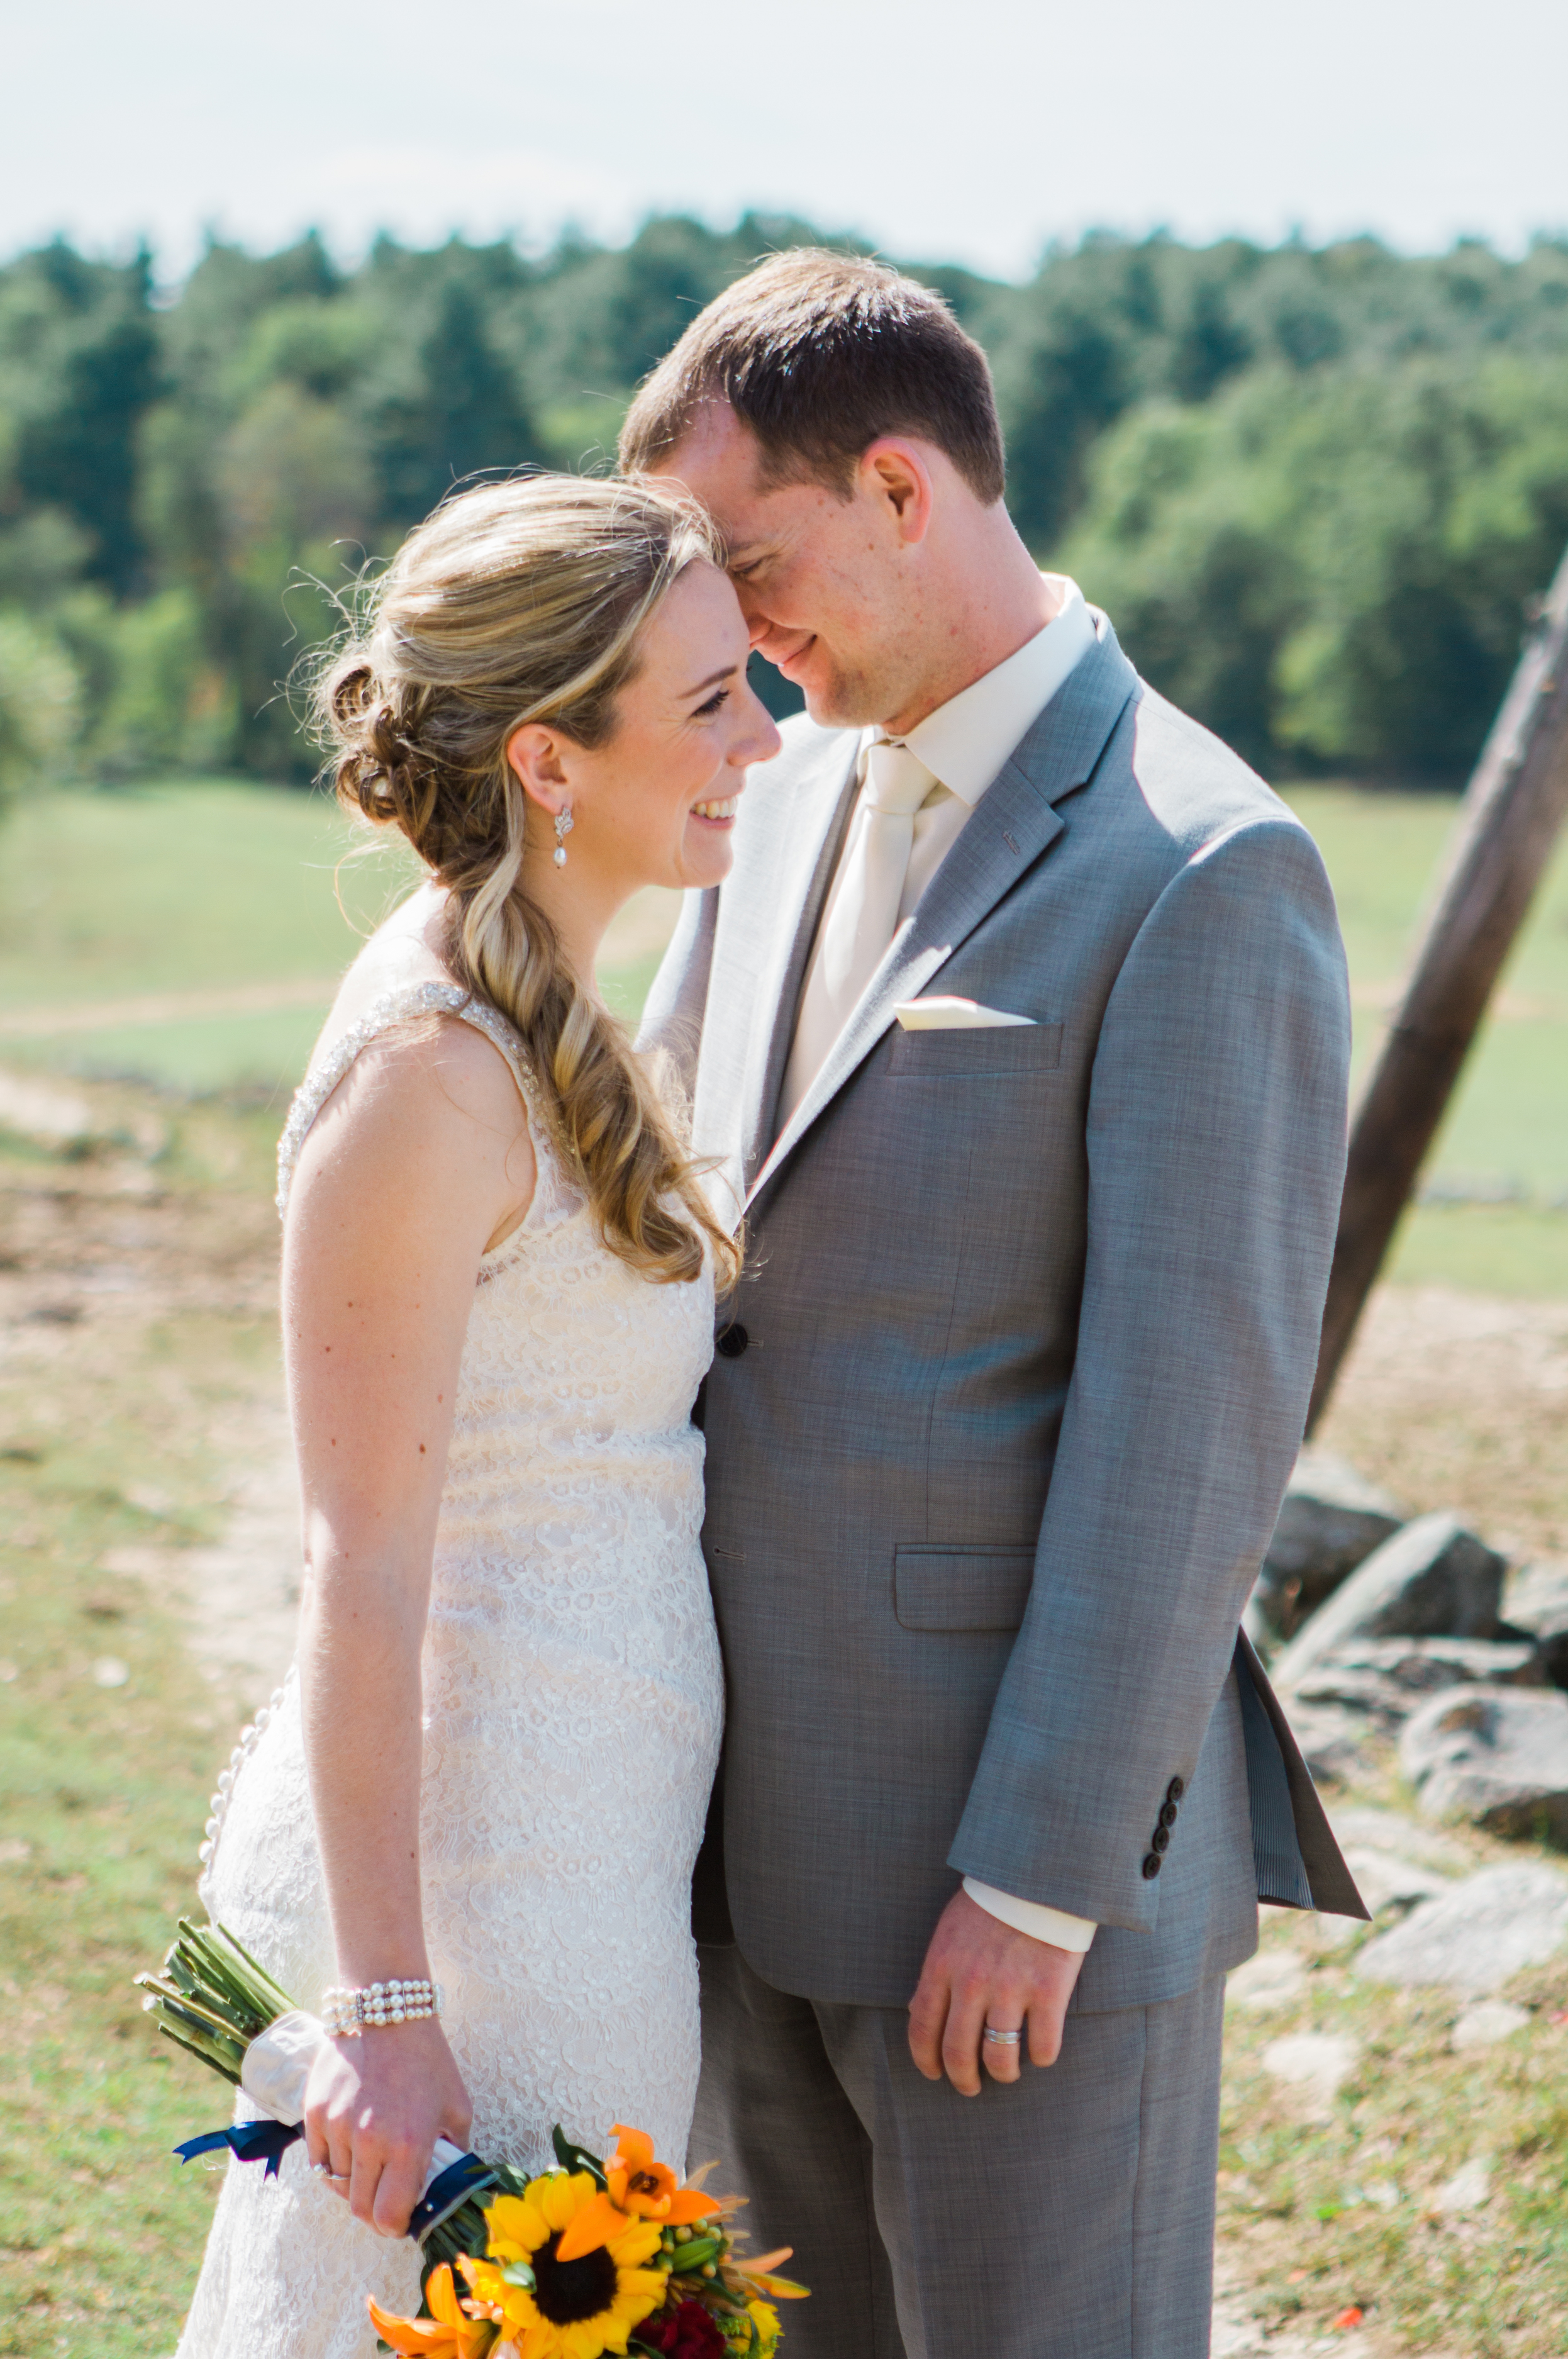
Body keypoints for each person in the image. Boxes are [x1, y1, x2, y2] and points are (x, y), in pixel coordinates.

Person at [626, 251, 1367, 2359]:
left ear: (895, 485)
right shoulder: (765, 804)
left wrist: (1039, 1884)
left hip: (1004, 1893)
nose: (735, 638)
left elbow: (1188, 1428)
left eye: (753, 565)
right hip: (729, 1832)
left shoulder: (1207, 865)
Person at [177, 474, 780, 2358]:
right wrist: (383, 2013)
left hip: (588, 1843)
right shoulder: (430, 1079)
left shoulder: (557, 1011)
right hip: (476, 1903)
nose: (760, 738)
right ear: (548, 759)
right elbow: (359, 1568)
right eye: (707, 703)